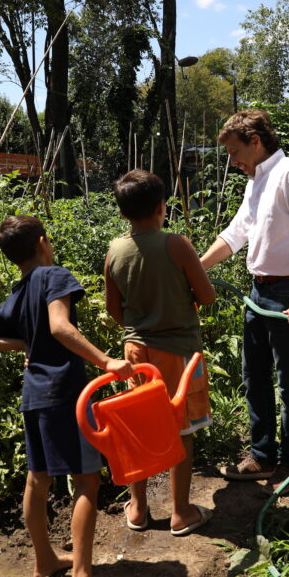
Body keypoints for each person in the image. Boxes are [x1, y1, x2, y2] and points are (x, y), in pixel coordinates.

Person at [0, 215, 133, 577]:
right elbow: (59, 326)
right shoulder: (54, 276)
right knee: (87, 480)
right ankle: (83, 576)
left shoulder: (18, 293)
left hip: (34, 396)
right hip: (65, 394)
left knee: (37, 479)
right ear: (42, 242)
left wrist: (24, 343)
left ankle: (45, 561)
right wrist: (107, 361)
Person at [199, 109, 289, 491]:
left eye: (235, 151)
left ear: (256, 142)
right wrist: (194, 269)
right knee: (253, 374)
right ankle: (262, 455)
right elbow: (236, 233)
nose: (232, 161)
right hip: (259, 291)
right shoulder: (256, 181)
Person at [104, 169, 217, 536]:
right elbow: (207, 296)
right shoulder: (177, 245)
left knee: (139, 424)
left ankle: (137, 509)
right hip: (179, 352)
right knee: (181, 427)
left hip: (136, 351)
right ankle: (181, 512)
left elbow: (114, 310)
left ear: (123, 213)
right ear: (161, 207)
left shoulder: (115, 251)